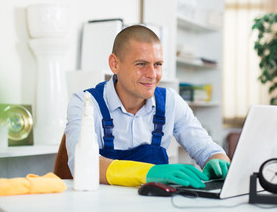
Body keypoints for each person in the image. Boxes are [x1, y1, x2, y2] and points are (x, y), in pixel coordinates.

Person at [65, 25, 230, 188]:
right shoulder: (85, 103)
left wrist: (217, 159)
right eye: (141, 64)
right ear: (114, 64)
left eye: (157, 64)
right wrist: (149, 173)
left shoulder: (170, 101)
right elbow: (82, 164)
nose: (152, 74)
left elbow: (206, 149)